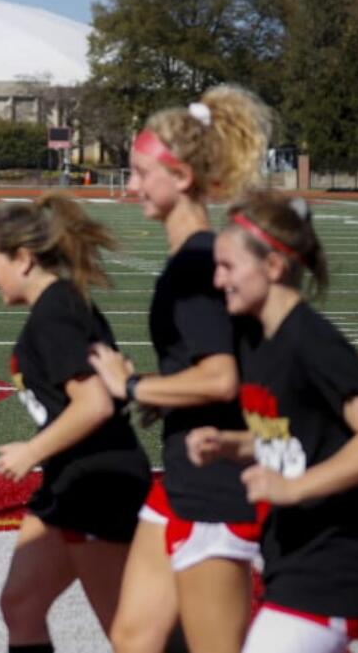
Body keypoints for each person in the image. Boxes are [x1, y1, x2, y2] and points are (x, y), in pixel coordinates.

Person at [89, 84, 272, 653]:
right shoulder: (190, 259)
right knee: (135, 637)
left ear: (183, 178)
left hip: (215, 483)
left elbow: (221, 378)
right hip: (182, 477)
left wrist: (135, 384)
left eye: (142, 173)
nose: (133, 186)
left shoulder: (193, 267)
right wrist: (162, 395)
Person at [188, 191, 358, 653]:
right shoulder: (257, 339)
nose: (217, 278)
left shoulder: (312, 341)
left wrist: (294, 488)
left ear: (272, 267)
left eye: (228, 266)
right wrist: (231, 443)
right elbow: (296, 437)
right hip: (288, 558)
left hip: (329, 571)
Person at [0, 193, 151, 652]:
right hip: (68, 480)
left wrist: (33, 450)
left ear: (24, 259)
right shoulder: (61, 305)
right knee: (21, 605)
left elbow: (93, 403)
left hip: (98, 482)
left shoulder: (55, 313)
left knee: (131, 635)